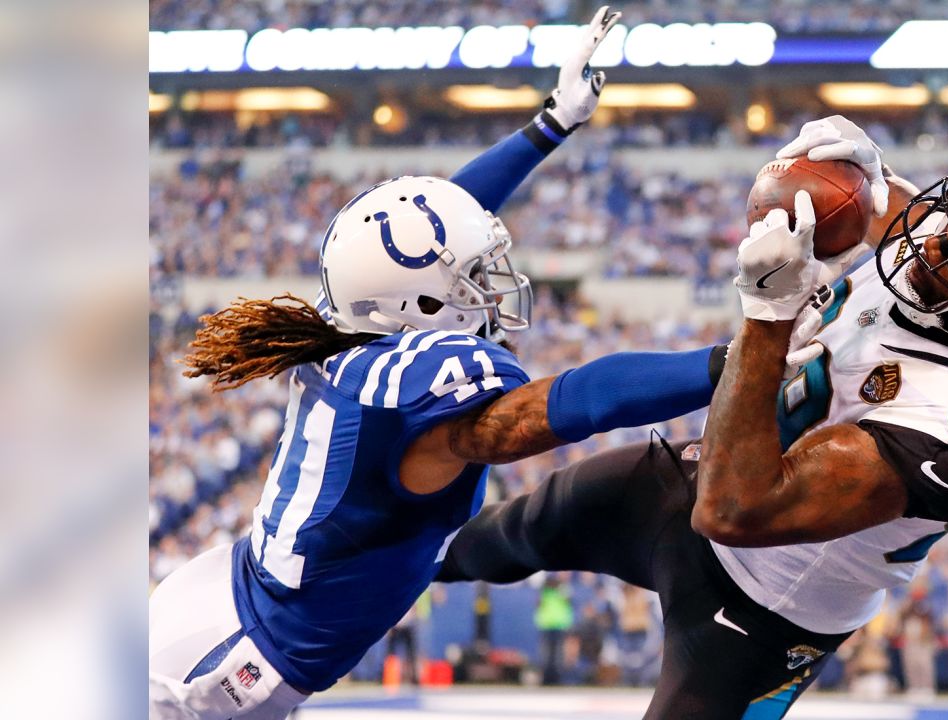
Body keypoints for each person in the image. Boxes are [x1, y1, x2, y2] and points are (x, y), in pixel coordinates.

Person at [437, 115, 948, 718]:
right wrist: (868, 173)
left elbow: (736, 511)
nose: (925, 251)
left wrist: (767, 316)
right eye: (944, 225)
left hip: (766, 609)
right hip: (693, 474)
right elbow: (908, 214)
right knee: (491, 537)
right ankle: (343, 580)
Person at [148, 9, 727, 719]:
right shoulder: (410, 387)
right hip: (230, 672)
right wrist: (732, 360)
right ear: (420, 305)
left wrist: (551, 124)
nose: (490, 286)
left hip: (221, 608)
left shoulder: (357, 321)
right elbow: (580, 400)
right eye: (474, 277)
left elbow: (429, 228)